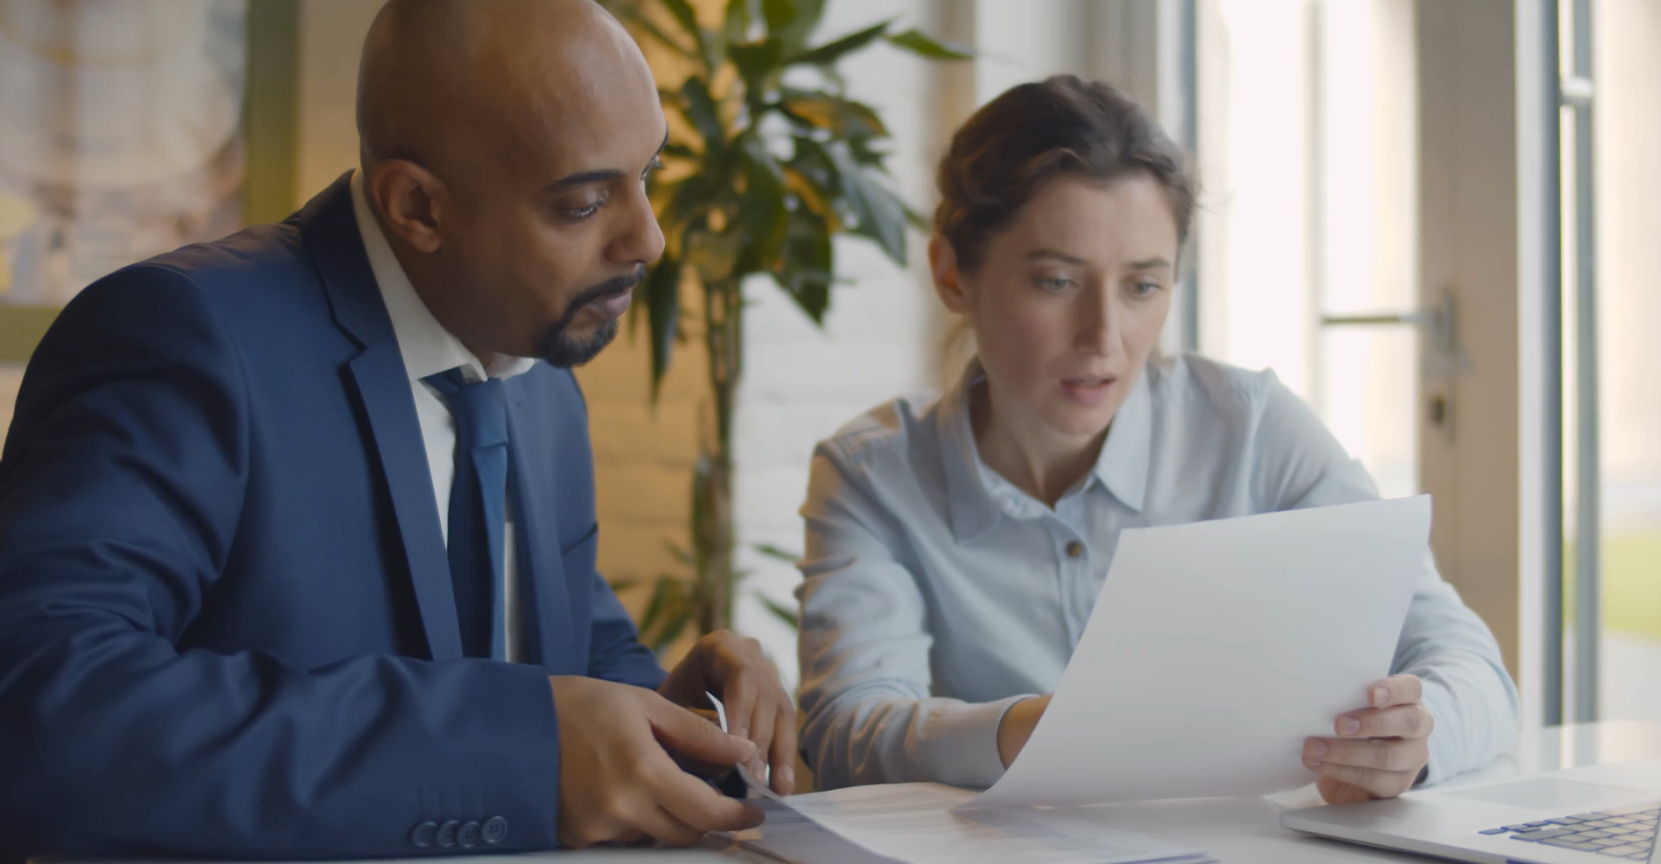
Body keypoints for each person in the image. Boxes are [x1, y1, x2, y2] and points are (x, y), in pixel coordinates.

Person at [0, 1, 794, 859]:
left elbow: (563, 664)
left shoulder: (539, 374)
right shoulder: (185, 335)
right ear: (417, 206)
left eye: (649, 172)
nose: (649, 236)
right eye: (583, 203)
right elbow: (45, 704)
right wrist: (515, 755)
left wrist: (688, 729)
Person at [794, 75, 1519, 803]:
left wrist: (1417, 741)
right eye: (1055, 282)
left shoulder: (1253, 429)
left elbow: (1468, 664)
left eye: (1142, 286)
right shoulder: (871, 475)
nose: (1103, 337)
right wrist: (1065, 730)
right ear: (953, 274)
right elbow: (843, 735)